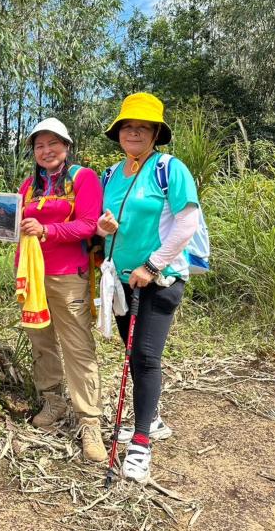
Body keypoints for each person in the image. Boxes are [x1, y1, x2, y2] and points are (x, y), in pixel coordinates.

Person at [97, 92, 200, 483]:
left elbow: (187, 223)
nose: (134, 132)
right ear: (119, 132)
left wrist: (152, 265)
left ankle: (140, 443)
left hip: (159, 280)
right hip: (122, 281)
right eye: (128, 126)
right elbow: (105, 222)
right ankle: (150, 418)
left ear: (156, 132)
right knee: (133, 352)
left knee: (144, 356)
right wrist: (102, 227)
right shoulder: (111, 174)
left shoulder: (169, 168)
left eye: (142, 127)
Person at [16, 117, 107, 462]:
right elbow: (14, 227)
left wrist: (47, 232)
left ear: (67, 147)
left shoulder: (83, 178)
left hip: (69, 275)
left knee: (78, 347)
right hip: (32, 277)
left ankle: (89, 422)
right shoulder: (28, 186)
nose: (46, 151)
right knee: (41, 341)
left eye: (53, 143)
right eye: (39, 145)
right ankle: (52, 401)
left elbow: (87, 225)